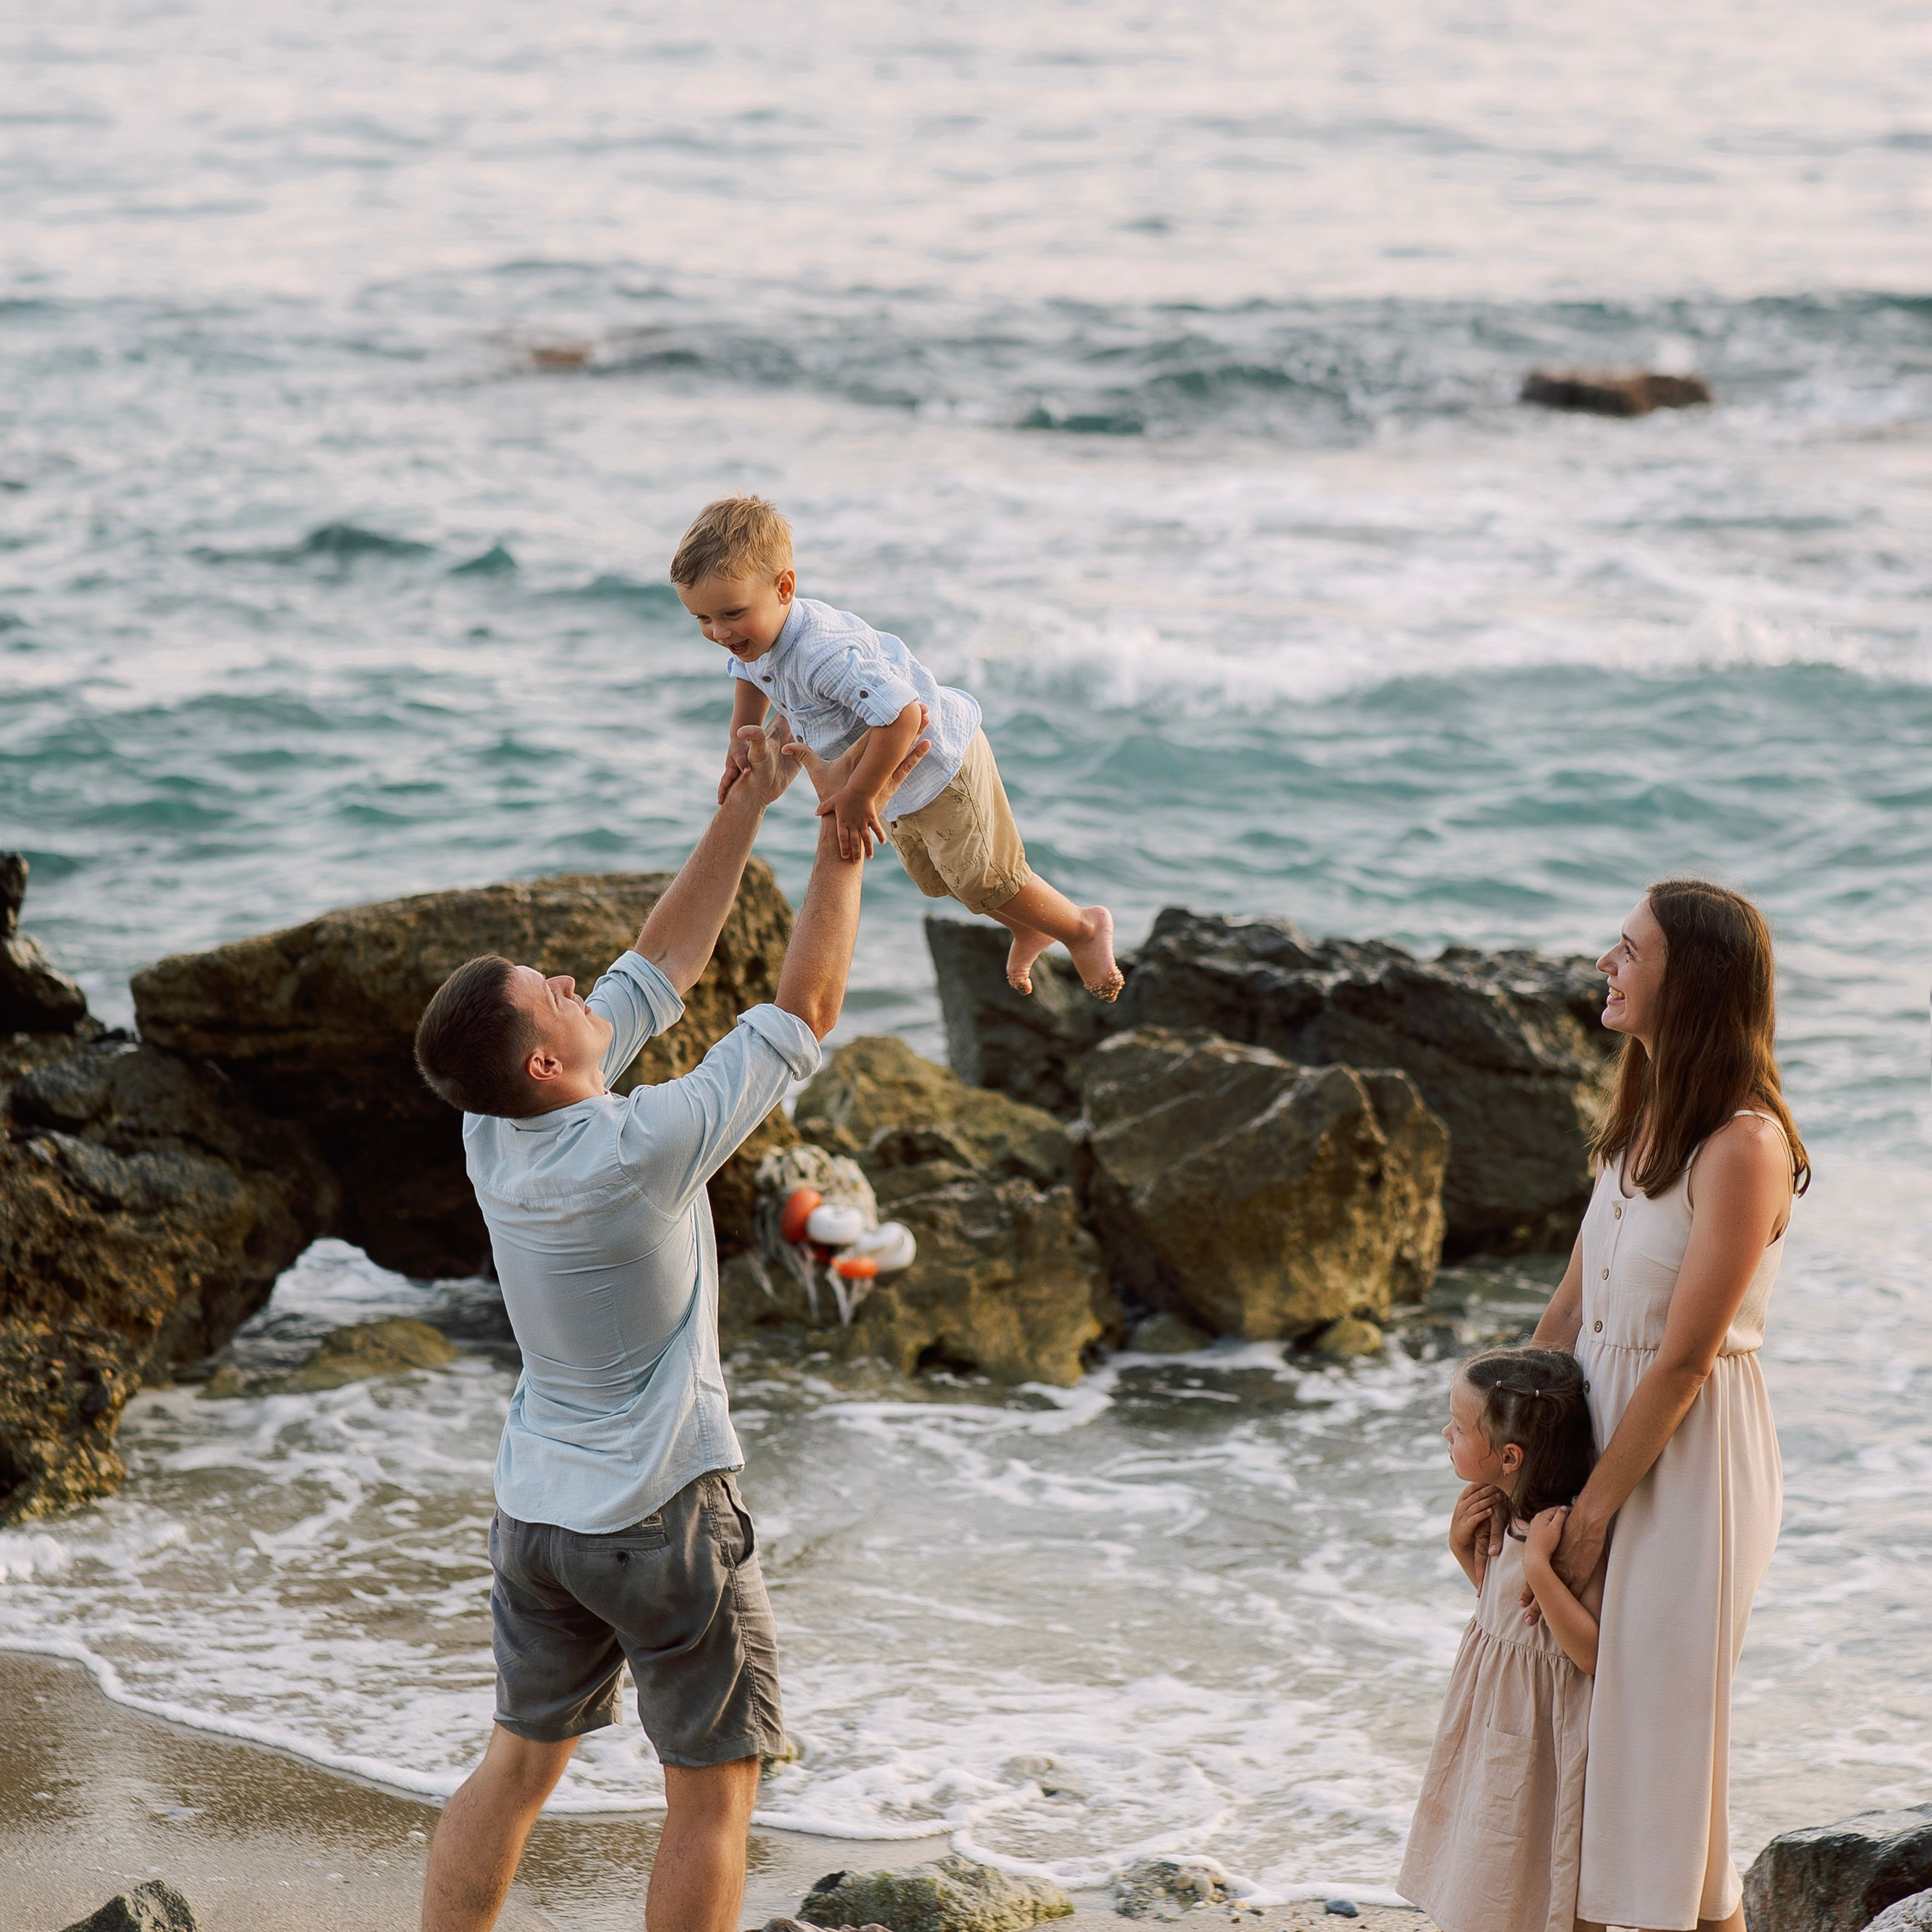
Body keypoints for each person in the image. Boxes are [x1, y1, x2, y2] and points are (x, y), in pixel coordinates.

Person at [408, 716, 928, 1932]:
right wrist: (843, 841)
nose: (575, 982)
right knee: (710, 1795)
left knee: (520, 1765)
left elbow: (658, 968)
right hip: (661, 1517)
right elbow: (804, 1011)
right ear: (545, 1059)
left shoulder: (491, 1132)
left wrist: (748, 798)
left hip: (539, 1518)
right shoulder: (641, 1148)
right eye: (554, 993)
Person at [1531, 878, 1807, 1932]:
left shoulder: (1744, 1144)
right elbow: (1567, 1309)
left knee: (1662, 1763)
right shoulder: (1639, 1120)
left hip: (1686, 1465)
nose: (1606, 963)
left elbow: (1688, 1359)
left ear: (1688, 981)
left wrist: (1591, 1517)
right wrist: (1512, 1461)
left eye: (1628, 950)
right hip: (1600, 1435)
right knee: (1595, 1751)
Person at [668, 494, 1124, 1002]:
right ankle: (1031, 927)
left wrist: (860, 794)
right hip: (896, 783)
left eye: (730, 614)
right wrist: (741, 736)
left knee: (982, 876)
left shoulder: (825, 654)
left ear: (784, 588)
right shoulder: (755, 637)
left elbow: (904, 714)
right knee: (945, 879)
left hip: (939, 763)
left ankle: (1083, 928)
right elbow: (749, 676)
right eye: (702, 620)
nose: (719, 633)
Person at [1400, 1346, 1603, 1932]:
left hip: (1536, 1736)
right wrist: (1467, 1558)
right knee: (1486, 1862)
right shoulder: (1511, 1516)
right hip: (1495, 1724)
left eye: (1460, 1428)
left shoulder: (1557, 1538)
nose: (1447, 1431)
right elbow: (1512, 1623)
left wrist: (1539, 1568)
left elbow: (1586, 1652)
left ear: (1509, 1456)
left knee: (1535, 1876)